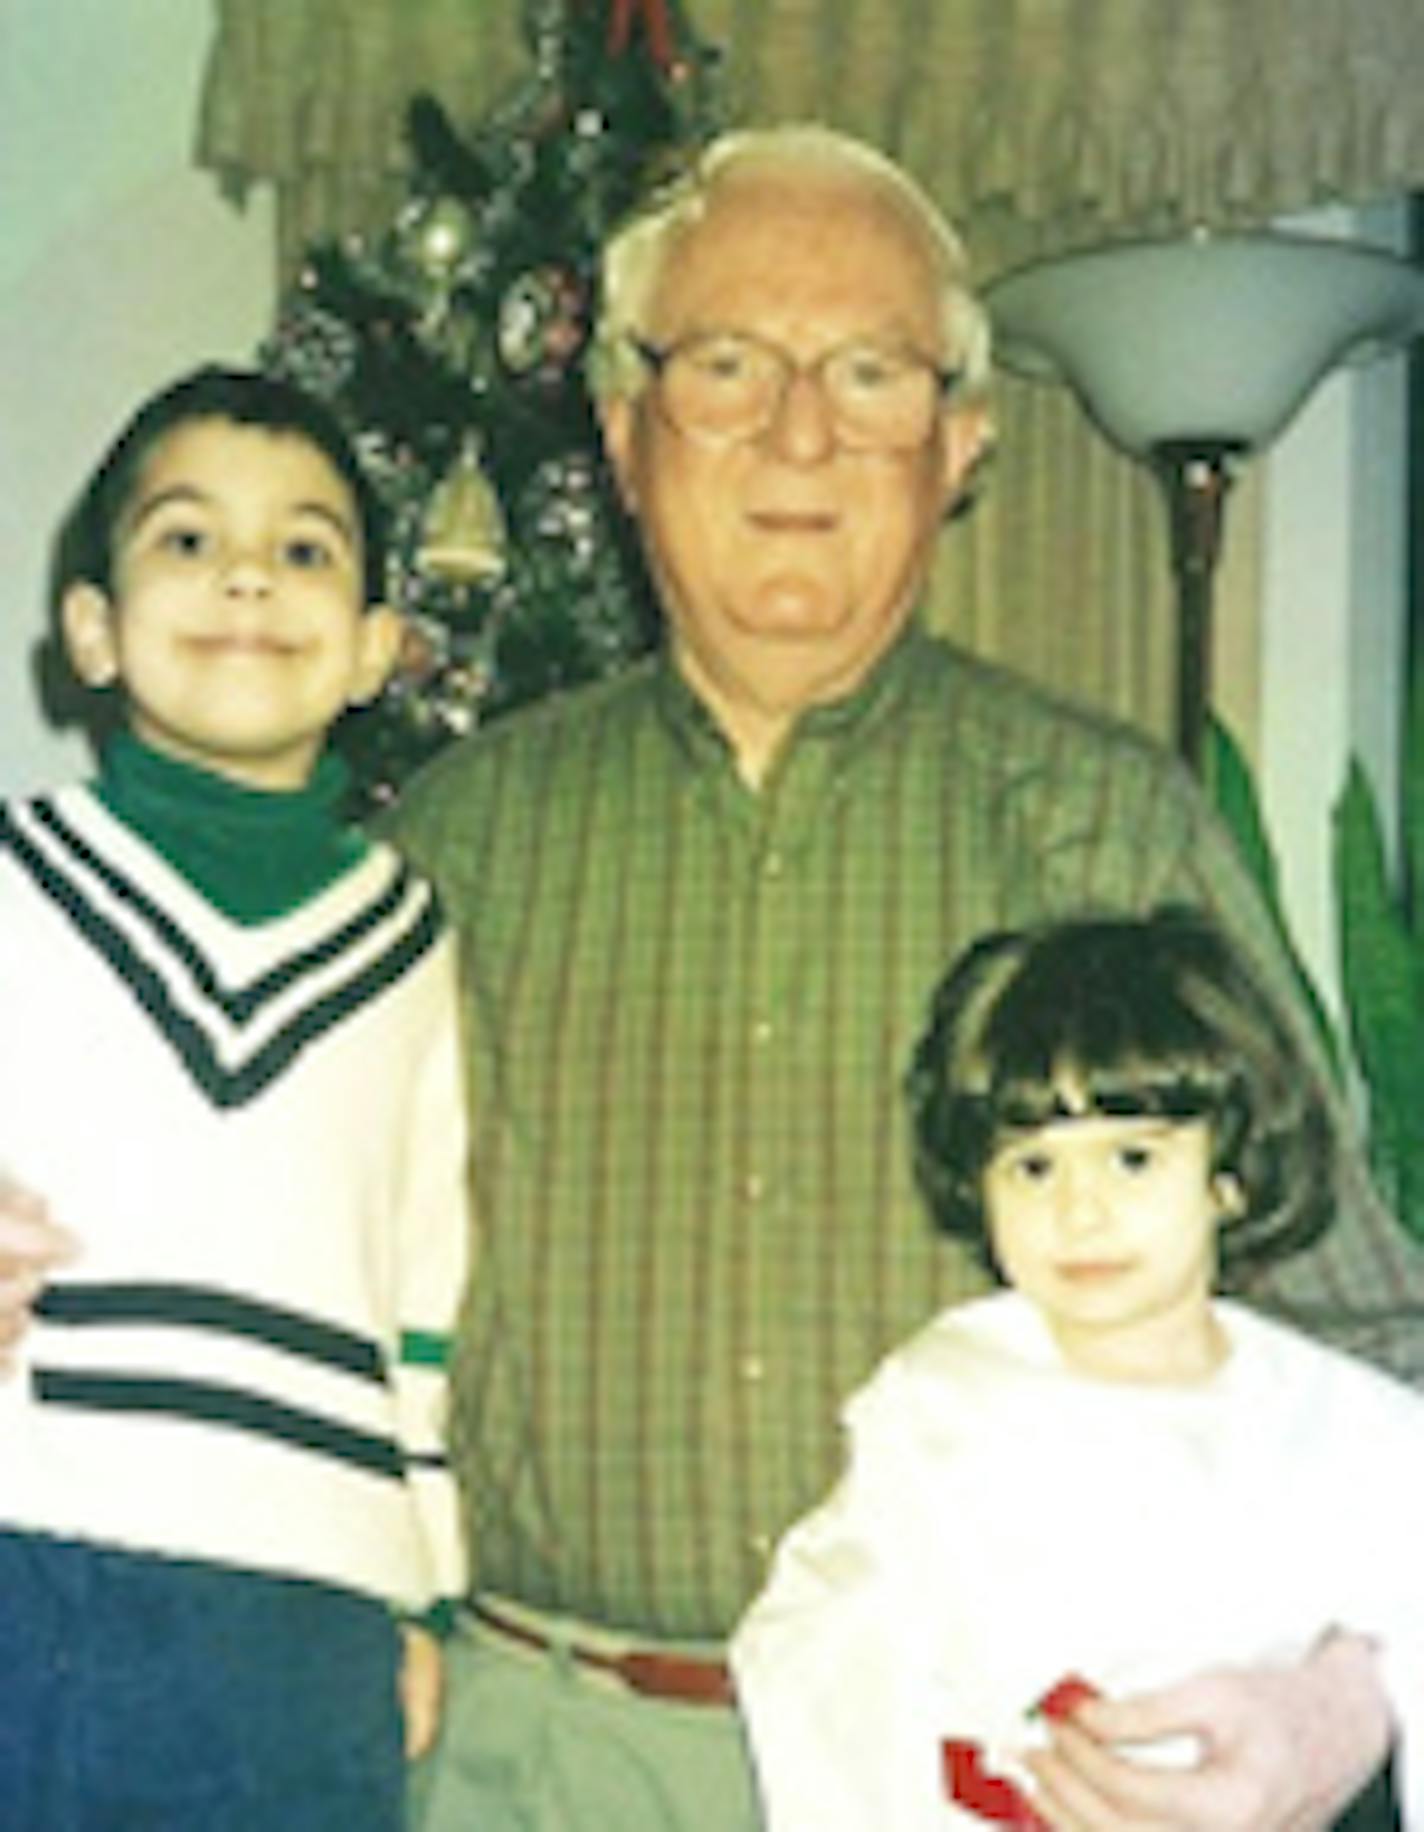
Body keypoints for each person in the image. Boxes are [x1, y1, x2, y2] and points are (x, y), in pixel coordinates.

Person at [0, 128, 1416, 1829]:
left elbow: (1361, 1333)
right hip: (517, 1756)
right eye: (727, 364)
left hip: (966, 1771)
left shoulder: (1113, 830)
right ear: (619, 431)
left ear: (956, 446)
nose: (797, 433)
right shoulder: (445, 846)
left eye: (871, 372)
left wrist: (1346, 1697)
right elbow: (211, 1202)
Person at [0, 366, 470, 1828]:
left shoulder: (411, 947)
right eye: (188, 540)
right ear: (93, 629)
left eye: (308, 548)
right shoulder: (18, 881)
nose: (249, 575)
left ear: (376, 650)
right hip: (31, 1554)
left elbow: (423, 1290)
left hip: (311, 1613)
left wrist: (429, 1595)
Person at [732, 907, 1424, 1830]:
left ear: (1230, 1176)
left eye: (1132, 1159)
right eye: (1031, 1168)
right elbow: (819, 1643)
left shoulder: (1341, 1424)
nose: (1080, 1211)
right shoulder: (940, 1403)